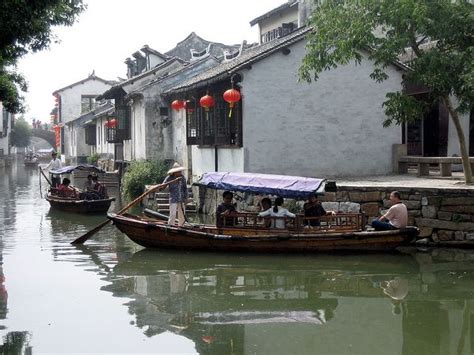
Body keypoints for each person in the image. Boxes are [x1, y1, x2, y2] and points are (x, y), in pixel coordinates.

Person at [161, 162, 188, 227]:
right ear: (175, 172)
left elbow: (185, 188)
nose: (180, 172)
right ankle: (170, 226)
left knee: (182, 214)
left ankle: (181, 226)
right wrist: (165, 185)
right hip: (173, 199)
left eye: (180, 171)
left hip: (181, 198)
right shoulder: (169, 178)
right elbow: (163, 186)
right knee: (172, 214)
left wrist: (186, 198)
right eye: (179, 171)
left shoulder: (182, 178)